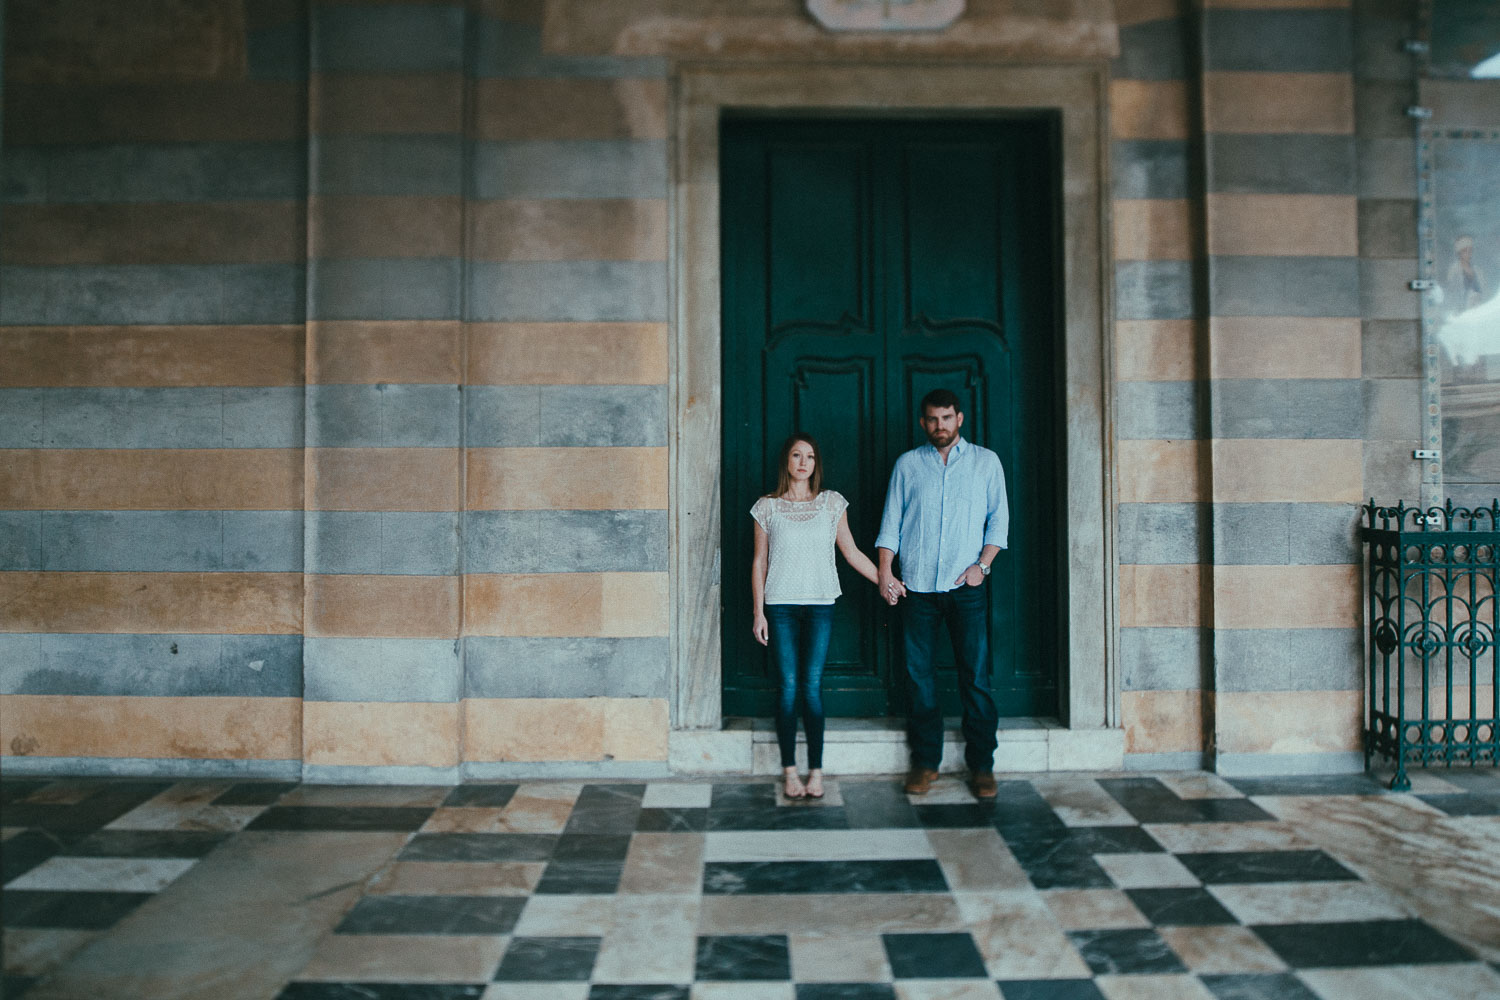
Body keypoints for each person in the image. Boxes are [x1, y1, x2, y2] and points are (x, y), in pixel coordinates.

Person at [875, 388, 1009, 799]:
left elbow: (998, 523)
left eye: (947, 418)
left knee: (976, 676)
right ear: (922, 422)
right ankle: (926, 762)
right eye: (933, 420)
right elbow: (890, 524)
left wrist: (981, 567)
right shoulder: (908, 465)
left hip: (965, 589)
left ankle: (982, 766)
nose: (940, 426)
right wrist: (884, 572)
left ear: (960, 418)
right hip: (916, 589)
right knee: (919, 679)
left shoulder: (986, 462)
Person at [751, 432, 898, 800]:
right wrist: (758, 612)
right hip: (780, 606)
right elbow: (759, 562)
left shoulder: (831, 503)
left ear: (816, 464)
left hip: (820, 605)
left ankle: (815, 772)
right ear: (786, 461)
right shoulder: (766, 507)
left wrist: (886, 580)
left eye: (811, 457)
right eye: (797, 455)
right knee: (788, 689)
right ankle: (789, 772)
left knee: (812, 689)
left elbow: (851, 553)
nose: (804, 462)